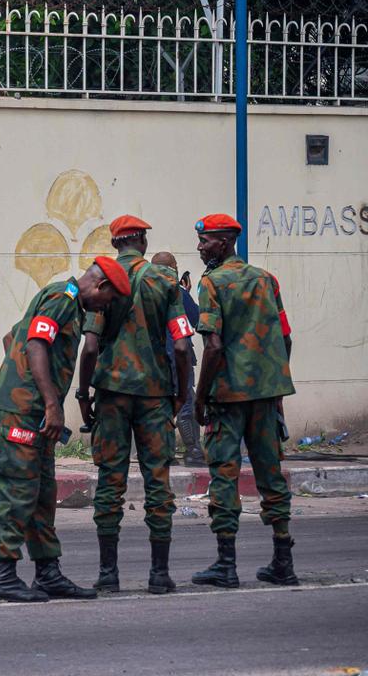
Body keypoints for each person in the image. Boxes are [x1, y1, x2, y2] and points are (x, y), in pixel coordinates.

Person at [0, 256, 126, 602]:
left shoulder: (68, 302)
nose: (104, 308)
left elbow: (12, 337)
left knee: (42, 493)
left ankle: (48, 572)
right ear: (102, 286)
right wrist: (48, 401)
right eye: (108, 301)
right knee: (17, 489)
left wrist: (23, 381)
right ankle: (1, 574)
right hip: (23, 411)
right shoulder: (64, 298)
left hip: (33, 413)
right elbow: (35, 343)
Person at [77, 216, 194, 595]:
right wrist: (179, 394)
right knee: (157, 480)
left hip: (111, 394)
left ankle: (108, 573)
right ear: (142, 241)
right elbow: (180, 344)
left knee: (110, 481)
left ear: (115, 245)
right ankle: (159, 574)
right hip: (155, 395)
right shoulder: (165, 282)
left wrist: (83, 395)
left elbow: (90, 346)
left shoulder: (104, 280)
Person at [189, 214, 299, 589]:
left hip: (228, 396)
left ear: (223, 243)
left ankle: (226, 563)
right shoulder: (267, 280)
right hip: (265, 395)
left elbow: (213, 345)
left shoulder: (212, 284)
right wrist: (275, 383)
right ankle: (283, 560)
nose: (201, 247)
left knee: (224, 473)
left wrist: (200, 397)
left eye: (205, 241)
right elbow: (285, 337)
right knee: (271, 474)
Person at [152, 251, 205, 466]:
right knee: (185, 401)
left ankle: (164, 453)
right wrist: (186, 294)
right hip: (178, 355)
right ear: (172, 268)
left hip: (154, 359)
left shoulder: (145, 291)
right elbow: (197, 319)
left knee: (159, 403)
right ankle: (192, 450)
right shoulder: (179, 292)